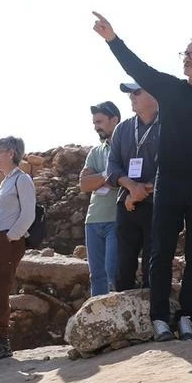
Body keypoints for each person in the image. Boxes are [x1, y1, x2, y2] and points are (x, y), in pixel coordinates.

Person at [92, 11, 192, 342]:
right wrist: (113, 39)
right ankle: (159, 319)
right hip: (169, 185)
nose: (187, 59)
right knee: (161, 253)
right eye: (185, 54)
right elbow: (137, 69)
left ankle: (186, 316)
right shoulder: (170, 89)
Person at [0, 135, 37, 360]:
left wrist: (11, 237)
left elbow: (28, 214)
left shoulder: (22, 179)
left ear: (10, 153)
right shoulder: (5, 181)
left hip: (7, 240)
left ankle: (2, 341)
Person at [107, 82, 160, 291]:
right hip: (126, 204)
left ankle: (153, 317)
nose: (131, 96)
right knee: (123, 265)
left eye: (137, 91)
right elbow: (112, 167)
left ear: (154, 95)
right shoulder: (123, 128)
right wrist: (131, 187)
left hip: (157, 205)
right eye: (129, 93)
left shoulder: (170, 126)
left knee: (153, 264)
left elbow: (173, 167)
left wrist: (140, 191)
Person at [80, 101, 121, 296]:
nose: (96, 127)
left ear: (114, 120)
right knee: (96, 275)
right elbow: (84, 184)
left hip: (116, 218)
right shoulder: (95, 152)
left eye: (100, 121)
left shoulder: (127, 147)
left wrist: (100, 178)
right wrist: (108, 176)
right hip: (93, 219)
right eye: (94, 122)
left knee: (113, 272)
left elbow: (122, 180)